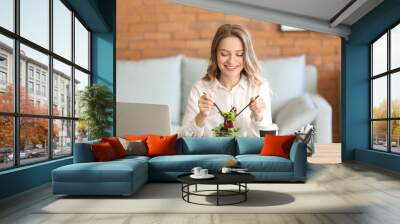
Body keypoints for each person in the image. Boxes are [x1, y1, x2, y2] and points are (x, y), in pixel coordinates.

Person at [178, 24, 274, 137]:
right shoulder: (200, 88)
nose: (231, 61)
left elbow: (268, 139)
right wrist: (201, 116)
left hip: (246, 154)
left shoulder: (259, 87)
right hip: (211, 153)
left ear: (247, 56)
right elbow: (182, 138)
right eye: (224, 54)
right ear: (215, 55)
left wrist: (258, 116)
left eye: (239, 54)